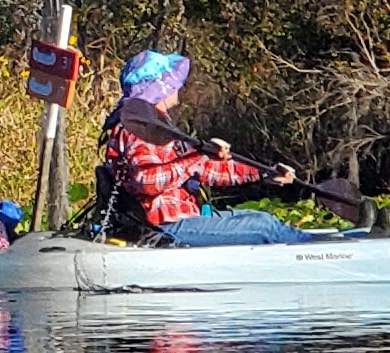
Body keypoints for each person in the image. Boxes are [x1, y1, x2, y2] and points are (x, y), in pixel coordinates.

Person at [93, 51, 302, 247]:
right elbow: (147, 182)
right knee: (265, 228)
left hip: (179, 217)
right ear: (161, 88)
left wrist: (264, 173)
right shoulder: (140, 129)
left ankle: (312, 243)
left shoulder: (155, 125)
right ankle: (319, 254)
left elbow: (204, 168)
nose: (178, 87)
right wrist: (197, 157)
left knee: (262, 219)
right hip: (164, 225)